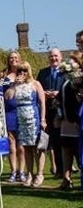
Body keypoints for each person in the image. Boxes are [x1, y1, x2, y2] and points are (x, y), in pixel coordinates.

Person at [14, 62, 46, 187]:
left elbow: (42, 102)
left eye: (24, 71)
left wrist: (43, 119)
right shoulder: (17, 85)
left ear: (29, 71)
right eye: (20, 71)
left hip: (33, 117)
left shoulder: (36, 84)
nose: (22, 73)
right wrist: (14, 84)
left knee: (37, 147)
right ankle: (30, 174)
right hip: (21, 118)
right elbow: (8, 96)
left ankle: (40, 174)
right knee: (26, 147)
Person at [56, 51, 83, 190]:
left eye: (73, 61)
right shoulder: (66, 80)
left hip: (76, 120)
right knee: (65, 149)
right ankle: (66, 179)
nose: (70, 63)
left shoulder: (79, 80)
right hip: (66, 121)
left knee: (78, 151)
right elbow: (61, 98)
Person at [36, 48, 64, 179]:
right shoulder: (43, 73)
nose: (54, 58)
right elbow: (36, 89)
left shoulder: (67, 72)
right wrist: (44, 94)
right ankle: (59, 170)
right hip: (47, 112)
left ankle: (68, 170)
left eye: (56, 56)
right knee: (53, 143)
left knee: (66, 142)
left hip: (64, 111)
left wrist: (59, 93)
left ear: (61, 57)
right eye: (51, 56)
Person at [2, 51, 26, 182]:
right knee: (11, 142)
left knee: (21, 142)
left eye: (16, 57)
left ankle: (22, 172)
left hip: (22, 110)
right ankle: (13, 171)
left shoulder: (24, 73)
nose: (13, 60)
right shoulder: (4, 75)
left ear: (20, 59)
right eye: (11, 58)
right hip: (8, 112)